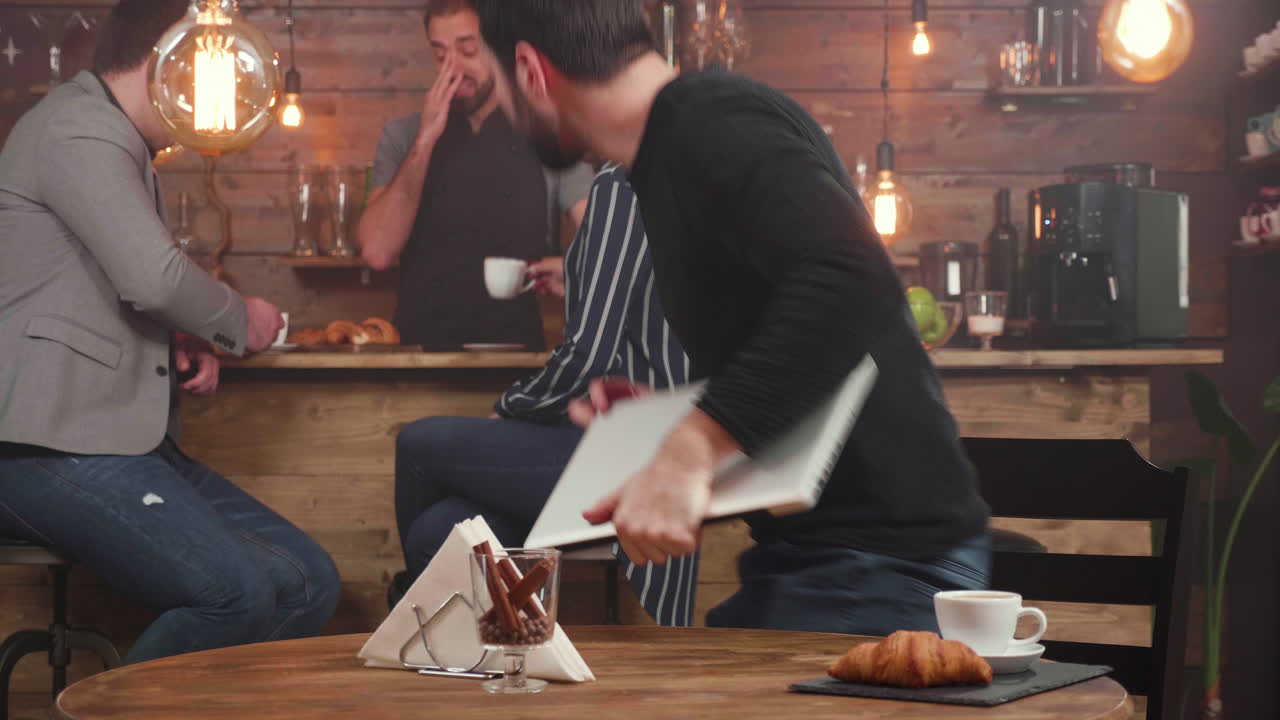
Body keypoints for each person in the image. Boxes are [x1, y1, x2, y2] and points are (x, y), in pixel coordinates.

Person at [474, 0, 992, 636]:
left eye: (496, 82)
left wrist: (691, 450)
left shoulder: (706, 122)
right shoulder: (673, 146)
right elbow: (798, 338)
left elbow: (852, 278)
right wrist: (667, 417)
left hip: (882, 570)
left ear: (529, 70)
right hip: (828, 561)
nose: (500, 107)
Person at [0, 0, 340, 663]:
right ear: (168, 63)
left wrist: (183, 340)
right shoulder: (81, 128)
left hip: (117, 444)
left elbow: (97, 289)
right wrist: (243, 320)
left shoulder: (115, 139)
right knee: (235, 594)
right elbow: (152, 279)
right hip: (42, 447)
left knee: (308, 581)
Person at [392, 163, 697, 626]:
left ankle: (421, 630)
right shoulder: (681, 177)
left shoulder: (622, 180)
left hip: (630, 444)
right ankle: (483, 652)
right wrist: (577, 277)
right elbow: (657, 291)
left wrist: (513, 407)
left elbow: (590, 351)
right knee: (436, 533)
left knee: (418, 443)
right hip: (671, 435)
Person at [356, 0, 594, 351]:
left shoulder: (548, 136)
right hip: (416, 364)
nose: (453, 68)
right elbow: (377, 251)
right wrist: (425, 140)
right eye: (440, 55)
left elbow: (609, 244)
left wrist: (572, 267)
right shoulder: (403, 136)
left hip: (516, 363)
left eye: (468, 50)